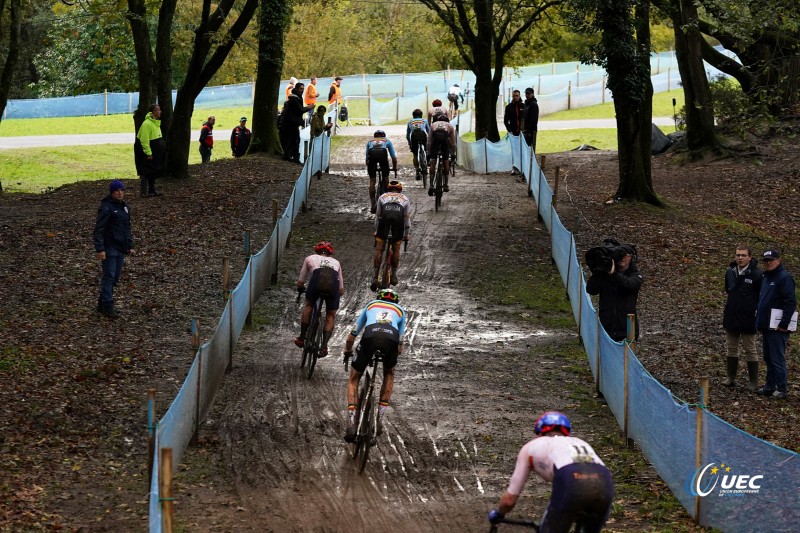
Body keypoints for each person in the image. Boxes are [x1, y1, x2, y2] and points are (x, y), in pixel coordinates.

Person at [487, 412, 614, 532]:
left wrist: (498, 513)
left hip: (571, 481)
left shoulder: (531, 447)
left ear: (539, 431)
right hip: (604, 482)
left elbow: (509, 500)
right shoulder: (580, 442)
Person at [342, 288, 407, 442]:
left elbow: (353, 334)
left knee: (353, 379)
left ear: (379, 298)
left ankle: (352, 422)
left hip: (370, 336)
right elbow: (400, 345)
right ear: (395, 301)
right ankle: (379, 420)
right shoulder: (400, 311)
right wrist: (390, 359)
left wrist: (347, 351)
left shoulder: (371, 305)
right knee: (389, 374)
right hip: (391, 339)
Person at [754, 249, 796, 399]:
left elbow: (790, 302)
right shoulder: (766, 277)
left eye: (771, 260)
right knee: (768, 357)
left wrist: (784, 324)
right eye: (766, 260)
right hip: (767, 325)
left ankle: (782, 388)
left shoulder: (784, 277)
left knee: (777, 358)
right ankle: (769, 386)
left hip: (778, 327)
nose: (768, 263)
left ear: (779, 260)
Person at [294, 241, 345, 357]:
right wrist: (336, 296)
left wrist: (300, 288)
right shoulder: (336, 262)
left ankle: (301, 338)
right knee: (330, 315)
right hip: (333, 285)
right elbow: (341, 289)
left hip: (317, 280)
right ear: (330, 253)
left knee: (309, 305)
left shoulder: (310, 258)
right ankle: (324, 347)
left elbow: (301, 281)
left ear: (316, 250)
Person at [722, 245, 763, 390]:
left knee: (750, 348)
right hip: (732, 315)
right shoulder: (730, 271)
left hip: (749, 317)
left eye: (743, 255)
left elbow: (760, 296)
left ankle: (753, 381)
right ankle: (730, 377)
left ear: (750, 257)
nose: (740, 258)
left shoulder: (757, 274)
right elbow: (728, 290)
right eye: (738, 255)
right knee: (731, 348)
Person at [93, 180, 135, 319]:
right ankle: (107, 305)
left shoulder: (125, 207)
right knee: (109, 276)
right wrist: (100, 249)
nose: (120, 193)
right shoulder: (106, 207)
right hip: (109, 247)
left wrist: (130, 245)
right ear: (112, 192)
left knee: (115, 277)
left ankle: (102, 301)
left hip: (121, 247)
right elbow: (99, 230)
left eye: (122, 190)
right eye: (117, 190)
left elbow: (127, 227)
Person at [585, 243, 642, 342]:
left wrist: (613, 273)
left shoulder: (636, 275)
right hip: (607, 328)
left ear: (631, 257)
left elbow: (629, 285)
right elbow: (591, 289)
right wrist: (599, 271)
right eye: (621, 255)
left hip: (627, 329)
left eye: (626, 255)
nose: (623, 258)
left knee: (626, 357)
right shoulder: (605, 275)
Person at [371, 180, 411, 290]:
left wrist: (376, 231)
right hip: (398, 220)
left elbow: (377, 216)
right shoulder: (405, 199)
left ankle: (375, 277)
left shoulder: (382, 197)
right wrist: (406, 235)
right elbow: (406, 221)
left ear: (388, 189)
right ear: (400, 190)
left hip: (384, 220)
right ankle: (393, 275)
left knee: (379, 250)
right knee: (396, 248)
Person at [135, 104, 166, 197]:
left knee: (153, 170)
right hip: (148, 151)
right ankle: (144, 192)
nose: (160, 112)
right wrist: (148, 153)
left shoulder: (156, 123)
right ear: (152, 113)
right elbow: (144, 140)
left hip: (156, 151)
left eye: (160, 110)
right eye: (158, 110)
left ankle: (152, 190)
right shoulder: (147, 124)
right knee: (146, 171)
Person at [365, 130, 397, 214]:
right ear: (384, 136)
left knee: (372, 181)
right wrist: (394, 168)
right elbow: (393, 157)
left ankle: (373, 204)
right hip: (382, 153)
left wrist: (370, 170)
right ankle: (387, 200)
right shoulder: (387, 141)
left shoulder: (370, 141)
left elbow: (367, 159)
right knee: (386, 178)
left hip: (372, 154)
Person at [280, 83, 313, 163]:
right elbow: (299, 110)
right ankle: (293, 157)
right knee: (294, 139)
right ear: (297, 89)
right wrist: (309, 107)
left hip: (292, 123)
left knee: (293, 139)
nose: (302, 90)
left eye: (303, 88)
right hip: (291, 124)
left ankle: (290, 156)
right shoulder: (294, 99)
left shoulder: (295, 98)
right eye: (301, 89)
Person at [426, 113, 456, 195]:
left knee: (433, 162)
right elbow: (453, 143)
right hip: (444, 141)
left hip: (435, 140)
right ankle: (446, 185)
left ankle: (431, 185)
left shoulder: (433, 124)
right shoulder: (450, 126)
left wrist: (429, 153)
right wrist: (453, 154)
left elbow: (429, 141)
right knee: (446, 161)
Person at [406, 109, 430, 181]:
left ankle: (417, 170)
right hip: (422, 135)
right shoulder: (424, 120)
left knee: (415, 154)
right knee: (426, 150)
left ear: (413, 116)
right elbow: (428, 131)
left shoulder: (410, 122)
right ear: (421, 115)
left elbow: (408, 134)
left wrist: (410, 142)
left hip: (414, 136)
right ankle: (426, 160)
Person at [522, 87, 540, 152]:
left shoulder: (533, 104)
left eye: (528, 93)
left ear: (532, 94)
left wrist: (529, 131)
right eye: (526, 93)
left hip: (530, 132)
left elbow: (534, 119)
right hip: (525, 131)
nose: (527, 95)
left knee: (530, 149)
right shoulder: (526, 104)